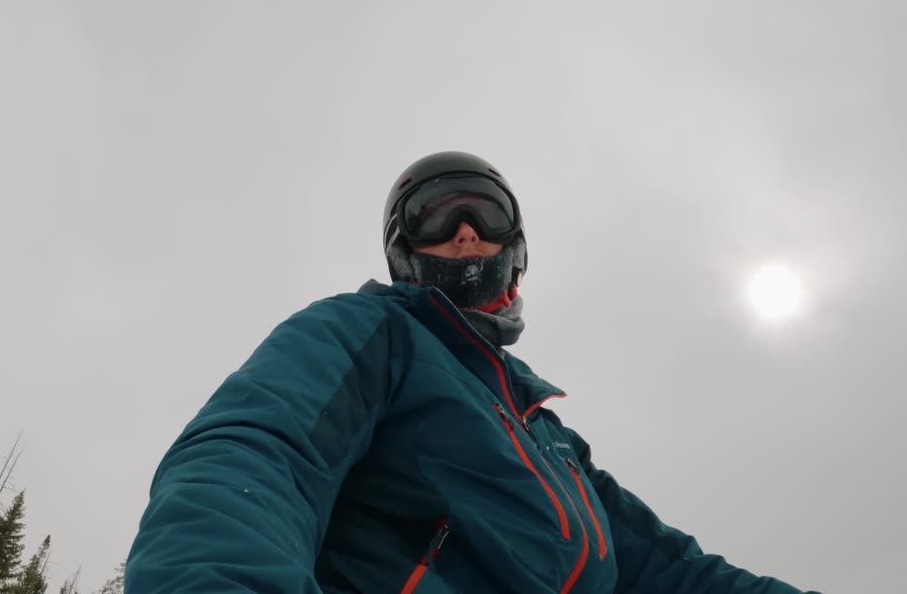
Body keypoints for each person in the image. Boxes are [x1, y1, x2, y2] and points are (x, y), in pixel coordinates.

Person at [125, 151, 816, 593]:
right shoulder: (370, 333)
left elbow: (669, 570)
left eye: (483, 214)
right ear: (405, 247)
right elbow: (257, 457)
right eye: (435, 216)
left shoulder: (552, 442)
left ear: (513, 247)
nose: (463, 232)